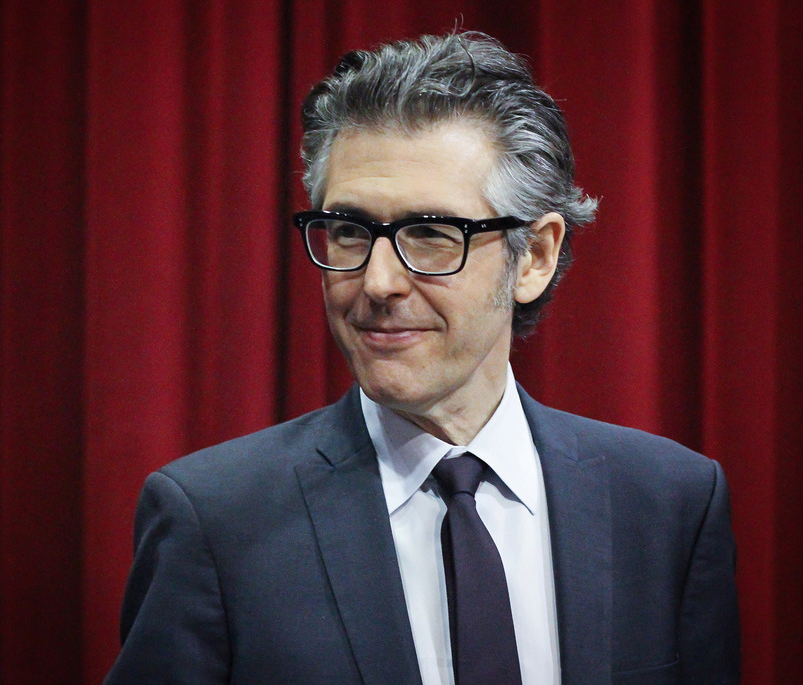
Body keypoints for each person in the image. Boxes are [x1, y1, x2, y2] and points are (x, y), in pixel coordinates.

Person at [105, 32, 740, 685]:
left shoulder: (670, 505)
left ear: (535, 256)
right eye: (349, 231)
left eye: (432, 234)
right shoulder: (214, 521)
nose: (377, 282)